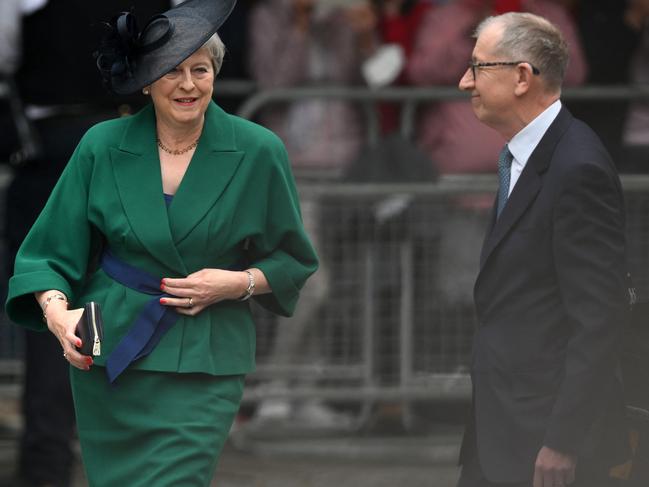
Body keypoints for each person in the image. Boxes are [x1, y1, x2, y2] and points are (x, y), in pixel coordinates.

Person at [4, 0, 318, 486]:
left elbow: (293, 259)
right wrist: (57, 312)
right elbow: (48, 251)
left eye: (201, 69)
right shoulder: (100, 146)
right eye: (172, 71)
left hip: (205, 358)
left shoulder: (258, 150)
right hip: (110, 355)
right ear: (146, 80)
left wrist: (236, 284)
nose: (188, 84)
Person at [457, 12, 629, 487]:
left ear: (521, 77)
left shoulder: (577, 168)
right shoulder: (524, 154)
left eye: (478, 67)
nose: (463, 81)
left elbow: (598, 317)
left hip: (545, 448)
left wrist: (563, 440)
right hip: (502, 432)